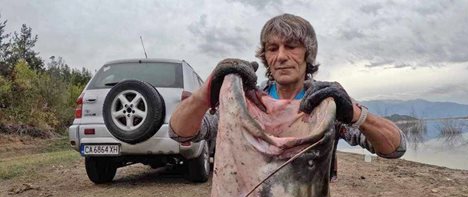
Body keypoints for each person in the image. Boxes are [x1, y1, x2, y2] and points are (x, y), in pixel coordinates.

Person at [169, 14, 406, 178]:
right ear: (266, 58)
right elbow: (181, 132)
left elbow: (395, 148)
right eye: (272, 49)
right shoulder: (247, 103)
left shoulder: (326, 105)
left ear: (308, 54)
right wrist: (207, 91)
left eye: (291, 46)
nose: (281, 56)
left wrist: (355, 115)